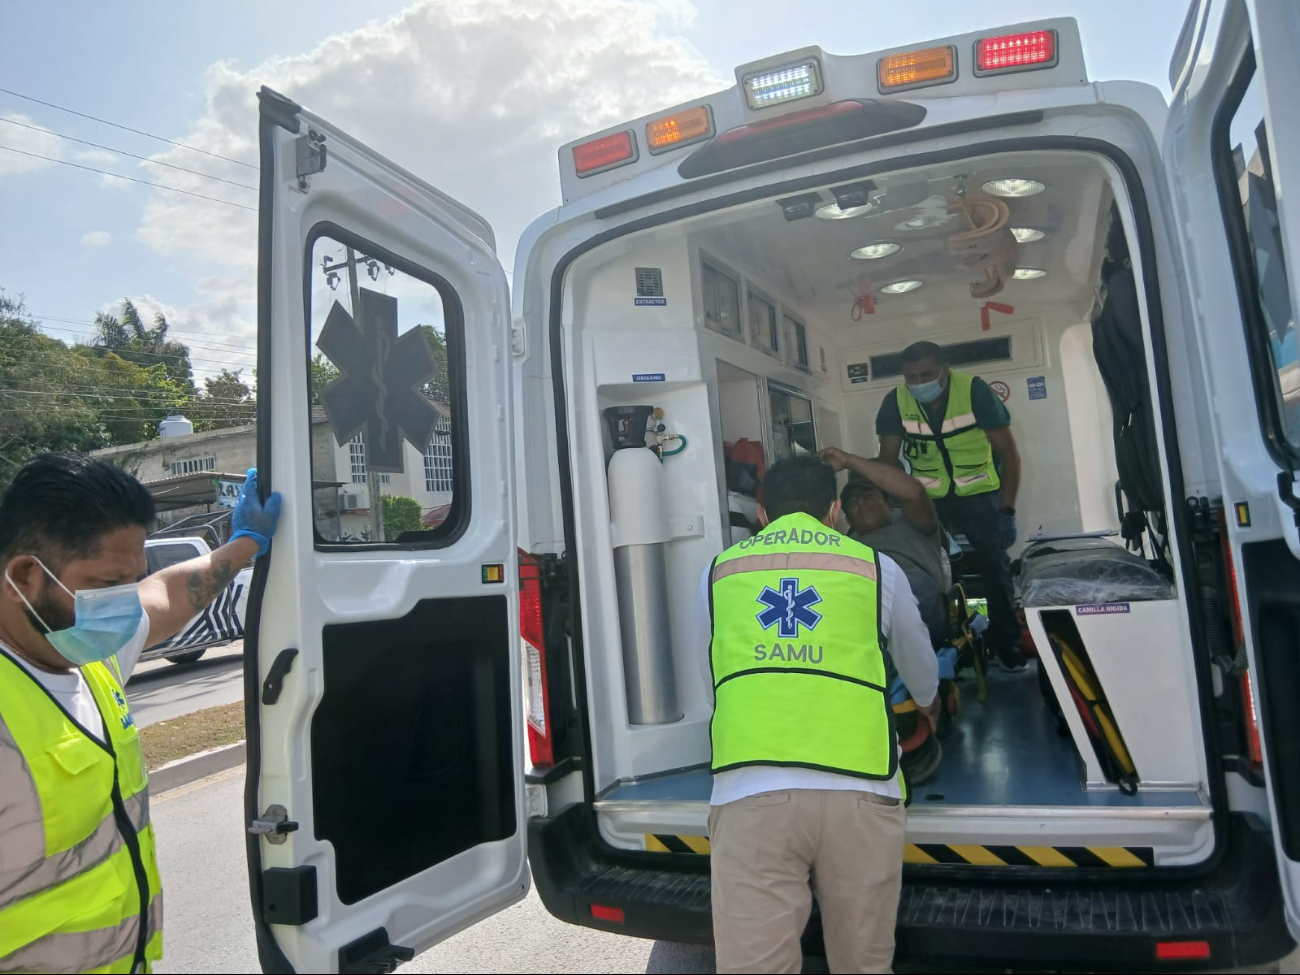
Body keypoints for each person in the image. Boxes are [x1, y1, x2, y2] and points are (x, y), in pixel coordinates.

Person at [0, 454, 281, 973]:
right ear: (24, 576)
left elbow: (168, 593)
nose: (124, 605)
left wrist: (245, 544)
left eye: (131, 580)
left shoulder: (84, 651)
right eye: (109, 585)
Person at [696, 455, 938, 974]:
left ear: (762, 513)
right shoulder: (876, 568)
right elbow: (920, 670)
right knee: (863, 964)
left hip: (750, 791)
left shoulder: (719, 572)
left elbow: (711, 677)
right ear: (833, 511)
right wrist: (929, 707)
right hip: (861, 790)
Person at [875, 341, 1026, 669]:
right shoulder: (896, 402)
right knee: (928, 569)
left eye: (925, 374)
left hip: (980, 495)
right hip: (929, 498)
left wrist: (1007, 510)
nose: (917, 383)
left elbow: (1009, 455)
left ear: (943, 369)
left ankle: (1008, 643)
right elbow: (887, 459)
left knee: (994, 565)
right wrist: (889, 504)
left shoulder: (973, 392)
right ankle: (939, 642)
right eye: (910, 376)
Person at [820, 446, 949, 646]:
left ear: (888, 502)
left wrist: (847, 461)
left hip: (911, 586)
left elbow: (914, 492)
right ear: (849, 520)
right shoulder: (846, 544)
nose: (860, 503)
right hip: (864, 593)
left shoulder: (913, 522)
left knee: (905, 587)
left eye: (868, 496)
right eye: (853, 502)